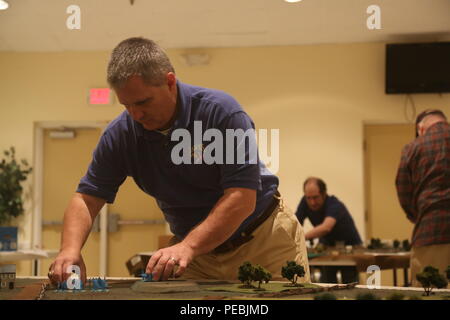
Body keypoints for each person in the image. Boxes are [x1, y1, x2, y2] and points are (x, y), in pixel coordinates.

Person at [48, 37, 310, 285]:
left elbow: (241, 198)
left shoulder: (220, 112)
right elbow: (86, 199)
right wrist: (69, 251)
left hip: (262, 240)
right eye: (126, 105)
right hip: (197, 256)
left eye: (143, 102)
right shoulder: (121, 135)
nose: (136, 114)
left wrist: (187, 246)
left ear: (170, 82)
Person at [395, 109, 450, 287]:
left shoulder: (414, 147)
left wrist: (420, 215)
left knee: (430, 291)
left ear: (420, 128)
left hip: (431, 230)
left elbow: (403, 190)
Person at [295, 177, 362, 283]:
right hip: (327, 246)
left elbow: (326, 228)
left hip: (349, 248)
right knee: (327, 282)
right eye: (308, 198)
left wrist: (302, 237)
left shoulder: (335, 204)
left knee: (349, 284)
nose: (312, 202)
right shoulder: (304, 202)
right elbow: (295, 225)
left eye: (315, 197)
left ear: (324, 193)